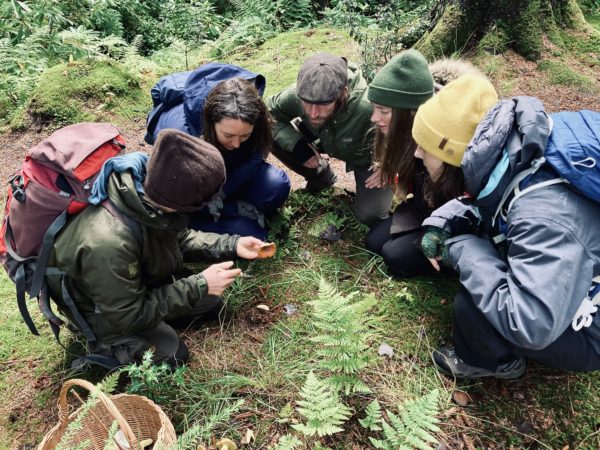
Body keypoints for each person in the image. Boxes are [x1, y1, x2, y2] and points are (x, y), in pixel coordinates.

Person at [413, 75, 600, 379]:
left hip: (590, 331)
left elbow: (529, 323)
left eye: (425, 147)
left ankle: (492, 363)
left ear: (454, 157)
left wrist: (459, 248)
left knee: (473, 306)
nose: (416, 154)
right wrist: (442, 222)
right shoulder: (521, 145)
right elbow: (489, 199)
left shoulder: (541, 215)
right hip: (572, 270)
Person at [47, 129, 268, 368]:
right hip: (106, 313)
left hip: (131, 284)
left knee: (210, 303)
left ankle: (159, 320)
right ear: (181, 203)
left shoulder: (150, 190)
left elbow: (179, 239)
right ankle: (105, 346)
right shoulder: (108, 243)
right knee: (172, 355)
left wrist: (233, 244)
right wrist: (199, 284)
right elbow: (125, 316)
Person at [365, 54, 486, 277]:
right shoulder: (404, 127)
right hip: (423, 207)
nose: (374, 117)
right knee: (374, 241)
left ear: (410, 112)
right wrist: (392, 171)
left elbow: (471, 200)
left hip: (453, 218)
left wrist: (440, 232)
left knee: (395, 257)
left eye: (384, 111)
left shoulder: (450, 135)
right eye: (375, 109)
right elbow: (415, 176)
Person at [146, 63, 291, 240]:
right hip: (190, 187)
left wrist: (223, 191)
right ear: (210, 122)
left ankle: (229, 210)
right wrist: (229, 207)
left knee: (276, 186)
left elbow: (255, 155)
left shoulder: (252, 114)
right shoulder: (180, 136)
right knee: (252, 233)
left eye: (245, 135)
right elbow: (171, 200)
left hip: (227, 172)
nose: (237, 144)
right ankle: (224, 216)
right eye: (228, 135)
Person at [267, 52, 396, 226]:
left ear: (343, 93)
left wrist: (389, 165)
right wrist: (298, 146)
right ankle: (321, 178)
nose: (312, 113)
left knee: (369, 216)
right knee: (268, 133)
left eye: (322, 105)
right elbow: (268, 114)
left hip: (366, 156)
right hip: (320, 139)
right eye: (307, 103)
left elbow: (404, 136)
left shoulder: (369, 107)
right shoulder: (297, 95)